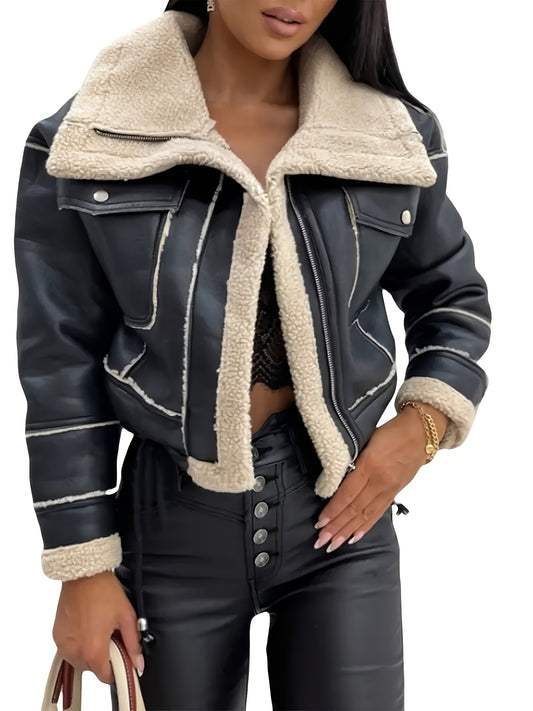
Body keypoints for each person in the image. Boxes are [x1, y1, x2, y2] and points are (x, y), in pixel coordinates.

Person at [13, 1, 491, 709]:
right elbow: (60, 359)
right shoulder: (90, 138)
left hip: (343, 524)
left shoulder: (389, 134)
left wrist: (419, 427)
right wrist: (81, 565)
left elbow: (452, 299)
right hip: (170, 527)